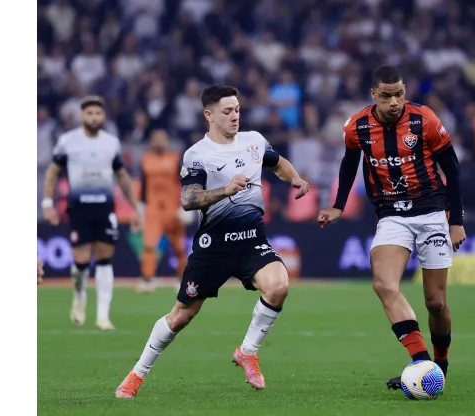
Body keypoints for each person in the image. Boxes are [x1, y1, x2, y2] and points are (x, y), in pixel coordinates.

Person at [115, 85, 310, 398]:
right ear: (209, 115)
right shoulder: (197, 154)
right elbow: (189, 199)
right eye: (227, 111)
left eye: (237, 110)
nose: (235, 116)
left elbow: (278, 163)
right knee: (181, 316)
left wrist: (295, 178)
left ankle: (248, 351)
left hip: (251, 241)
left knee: (279, 286)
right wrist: (225, 190)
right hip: (213, 248)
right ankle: (136, 376)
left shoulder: (254, 141)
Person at [317, 66, 466, 390]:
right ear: (374, 95)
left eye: (399, 94)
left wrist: (456, 221)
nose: (395, 101)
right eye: (387, 96)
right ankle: (421, 362)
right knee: (385, 285)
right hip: (391, 216)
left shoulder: (424, 119)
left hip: (431, 214)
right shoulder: (356, 126)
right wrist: (339, 206)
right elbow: (348, 164)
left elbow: (451, 169)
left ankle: (440, 363)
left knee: (436, 303)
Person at [42, 95, 143, 330]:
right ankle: (79, 296)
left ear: (103, 116)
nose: (94, 117)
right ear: (82, 116)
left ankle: (102, 316)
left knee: (106, 257)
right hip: (79, 207)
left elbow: (122, 176)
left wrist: (136, 207)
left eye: (98, 113)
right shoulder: (68, 141)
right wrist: (48, 202)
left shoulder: (111, 142)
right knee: (81, 261)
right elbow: (52, 173)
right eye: (89, 113)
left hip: (105, 206)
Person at [137, 129, 189, 293]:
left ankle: (182, 279)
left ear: (166, 141)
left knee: (179, 247)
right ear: (151, 141)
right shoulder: (146, 159)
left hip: (172, 208)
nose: (159, 142)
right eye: (156, 139)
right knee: (149, 245)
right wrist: (140, 207)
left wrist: (185, 206)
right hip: (153, 209)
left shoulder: (175, 159)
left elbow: (186, 181)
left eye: (162, 139)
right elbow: (143, 186)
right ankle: (148, 279)